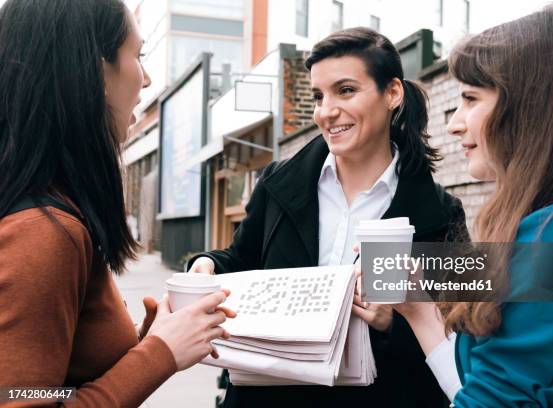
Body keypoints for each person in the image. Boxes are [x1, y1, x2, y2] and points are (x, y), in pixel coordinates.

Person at [188, 27, 468, 407]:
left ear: (393, 94)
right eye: (319, 96)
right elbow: (241, 261)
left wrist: (392, 324)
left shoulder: (440, 212)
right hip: (266, 396)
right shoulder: (277, 183)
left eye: (346, 90)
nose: (327, 111)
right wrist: (207, 264)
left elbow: (456, 330)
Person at [0, 1, 234, 406]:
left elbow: (53, 382)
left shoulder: (45, 207)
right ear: (94, 70)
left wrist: (146, 345)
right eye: (138, 56)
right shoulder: (44, 231)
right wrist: (159, 354)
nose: (145, 79)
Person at [392, 4, 553, 407]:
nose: (455, 122)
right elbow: (493, 387)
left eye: (471, 99)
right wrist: (420, 310)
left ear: (531, 106)